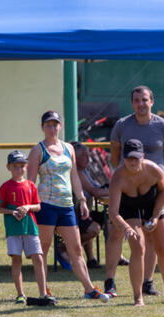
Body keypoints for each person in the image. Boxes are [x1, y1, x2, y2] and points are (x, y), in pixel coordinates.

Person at [27, 110, 109, 303]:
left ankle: (89, 289)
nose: (52, 128)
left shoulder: (68, 149)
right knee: (43, 249)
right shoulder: (38, 150)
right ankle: (43, 291)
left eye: (55, 124)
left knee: (76, 249)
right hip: (46, 204)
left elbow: (74, 177)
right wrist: (30, 206)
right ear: (42, 127)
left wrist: (81, 199)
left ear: (60, 126)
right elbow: (30, 181)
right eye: (48, 124)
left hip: (66, 205)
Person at [104, 85, 164, 298]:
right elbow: (115, 154)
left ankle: (148, 281)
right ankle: (110, 279)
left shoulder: (163, 126)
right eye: (136, 100)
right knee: (118, 232)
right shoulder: (122, 125)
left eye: (144, 100)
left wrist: (153, 177)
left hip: (152, 188)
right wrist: (127, 176)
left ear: (151, 101)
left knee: (153, 237)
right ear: (132, 103)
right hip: (127, 188)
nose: (141, 104)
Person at [108, 139, 164, 306]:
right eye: (128, 158)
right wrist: (125, 228)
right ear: (123, 159)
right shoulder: (118, 177)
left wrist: (155, 216)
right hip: (129, 207)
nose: (132, 162)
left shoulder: (154, 170)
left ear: (142, 156)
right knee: (138, 246)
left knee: (162, 247)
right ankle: (138, 297)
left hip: (152, 204)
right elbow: (113, 211)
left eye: (136, 158)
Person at [0, 150, 55, 305]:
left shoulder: (31, 185)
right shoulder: (5, 186)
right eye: (15, 166)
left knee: (38, 258)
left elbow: (38, 206)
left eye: (22, 166)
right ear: (9, 167)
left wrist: (27, 207)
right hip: (13, 229)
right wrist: (12, 211)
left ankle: (43, 293)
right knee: (16, 260)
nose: (19, 169)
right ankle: (20, 294)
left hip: (30, 227)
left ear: (26, 167)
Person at [70, 141, 129, 270]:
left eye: (88, 155)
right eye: (84, 156)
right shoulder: (76, 173)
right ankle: (65, 248)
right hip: (75, 212)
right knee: (93, 228)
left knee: (111, 221)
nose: (88, 159)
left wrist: (109, 188)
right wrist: (116, 190)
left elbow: (97, 188)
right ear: (75, 158)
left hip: (86, 211)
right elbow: (94, 191)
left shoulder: (84, 170)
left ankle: (112, 256)